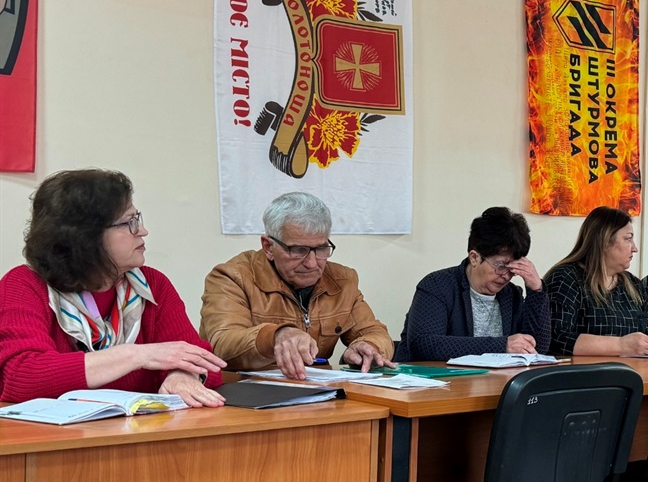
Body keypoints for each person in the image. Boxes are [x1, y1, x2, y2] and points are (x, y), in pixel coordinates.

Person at [0, 169, 225, 407]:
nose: (143, 231)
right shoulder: (24, 284)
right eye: (129, 222)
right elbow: (22, 376)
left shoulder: (152, 284)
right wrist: (136, 355)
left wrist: (182, 375)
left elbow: (205, 363)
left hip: (137, 428)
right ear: (85, 236)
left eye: (137, 219)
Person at [200, 192, 394, 379]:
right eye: (298, 250)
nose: (312, 263)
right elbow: (222, 345)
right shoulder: (232, 277)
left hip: (317, 391)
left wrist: (369, 345)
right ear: (268, 247)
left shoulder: (342, 280)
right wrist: (275, 336)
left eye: (321, 249)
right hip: (241, 392)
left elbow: (375, 332)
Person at [398, 207, 550, 361]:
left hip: (495, 376)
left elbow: (537, 348)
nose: (506, 275)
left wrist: (536, 290)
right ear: (474, 258)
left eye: (512, 268)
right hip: (436, 376)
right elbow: (424, 344)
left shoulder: (511, 295)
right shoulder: (437, 285)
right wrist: (501, 345)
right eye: (500, 266)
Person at [545, 206, 648, 356]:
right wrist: (621, 345)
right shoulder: (565, 278)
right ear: (605, 242)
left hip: (634, 370)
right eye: (628, 239)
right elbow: (556, 338)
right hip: (584, 371)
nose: (635, 248)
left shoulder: (632, 284)